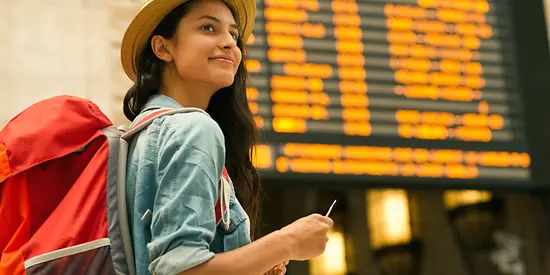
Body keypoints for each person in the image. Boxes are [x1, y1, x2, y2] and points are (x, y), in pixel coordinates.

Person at [120, 0, 334, 274]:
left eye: (233, 35)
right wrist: (287, 243)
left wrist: (256, 263)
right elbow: (180, 269)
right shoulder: (194, 128)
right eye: (208, 28)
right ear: (163, 48)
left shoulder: (138, 134)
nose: (230, 43)